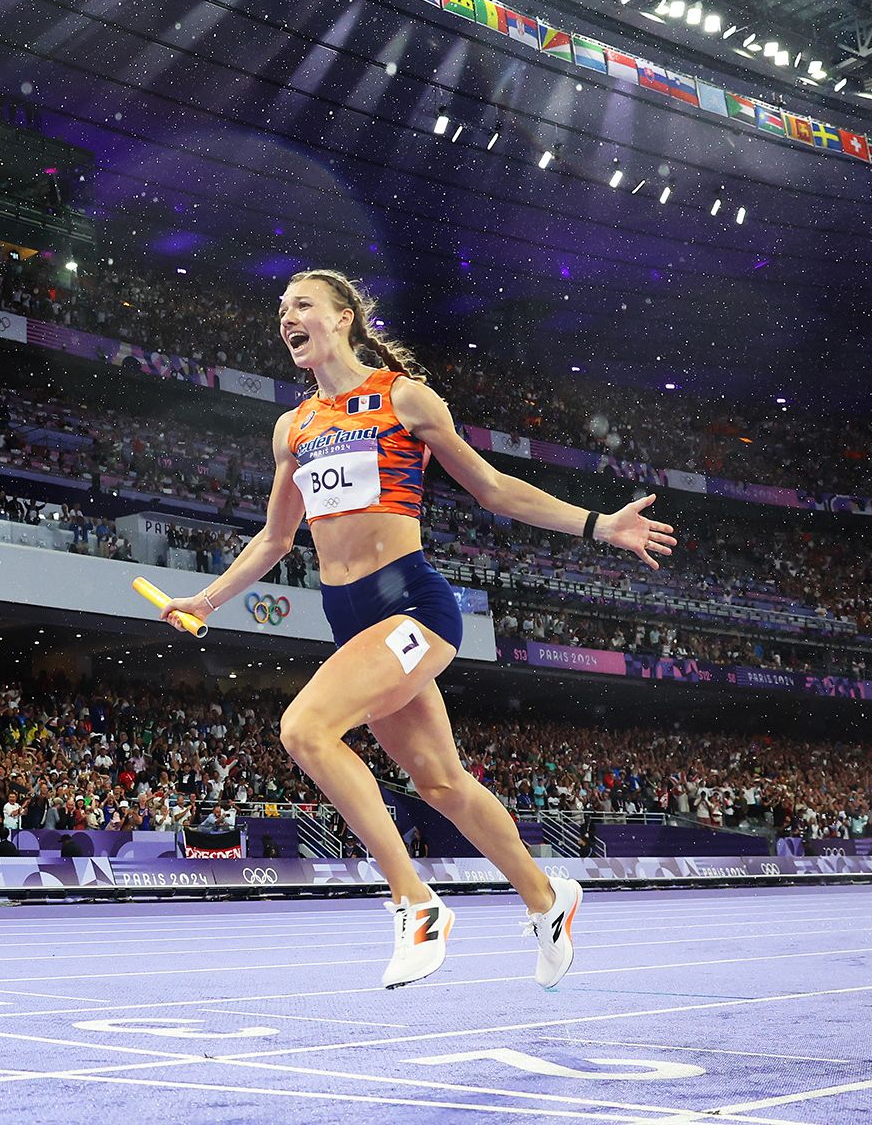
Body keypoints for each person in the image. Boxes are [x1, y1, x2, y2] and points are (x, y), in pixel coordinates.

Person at [163, 269, 675, 991]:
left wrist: (599, 525)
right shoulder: (293, 427)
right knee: (440, 782)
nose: (287, 318)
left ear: (343, 317)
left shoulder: (403, 398)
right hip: (353, 622)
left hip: (412, 608)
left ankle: (415, 901)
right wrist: (206, 600)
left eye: (302, 305)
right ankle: (546, 897)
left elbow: (495, 490)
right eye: (282, 310)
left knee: (305, 730)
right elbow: (276, 540)